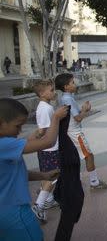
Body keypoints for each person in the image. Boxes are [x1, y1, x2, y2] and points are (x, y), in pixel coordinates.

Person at [0, 98, 67, 240]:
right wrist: (55, 117)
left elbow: (15, 173)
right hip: (16, 212)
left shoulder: (6, 146)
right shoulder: (4, 144)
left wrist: (43, 175)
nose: (20, 131)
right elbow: (49, 142)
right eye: (17, 126)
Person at [55, 73, 107, 189]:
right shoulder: (67, 99)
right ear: (66, 87)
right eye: (73, 83)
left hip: (71, 132)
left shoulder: (67, 98)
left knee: (77, 156)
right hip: (75, 133)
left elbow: (73, 114)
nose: (75, 84)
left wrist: (82, 109)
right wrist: (85, 110)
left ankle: (77, 180)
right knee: (88, 155)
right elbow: (78, 118)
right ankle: (94, 182)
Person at [31, 79, 60, 223]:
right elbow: (42, 130)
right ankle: (39, 205)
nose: (54, 92)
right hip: (50, 148)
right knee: (52, 176)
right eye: (51, 90)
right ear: (42, 93)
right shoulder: (45, 108)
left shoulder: (44, 106)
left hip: (46, 148)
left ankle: (47, 199)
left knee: (46, 174)